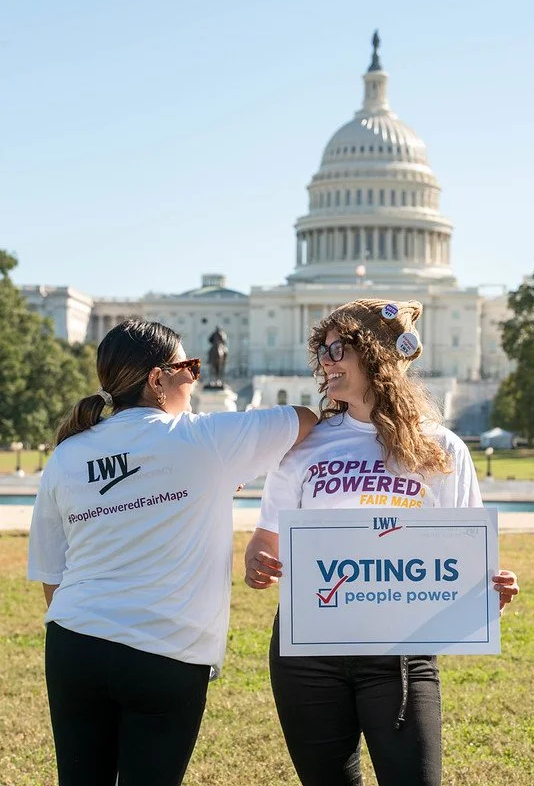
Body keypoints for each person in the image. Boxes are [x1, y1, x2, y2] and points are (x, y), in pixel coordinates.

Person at [27, 318, 317, 786]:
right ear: (156, 378)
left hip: (74, 642)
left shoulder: (67, 454)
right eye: (190, 366)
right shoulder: (203, 439)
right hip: (168, 651)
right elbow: (305, 419)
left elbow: (50, 573)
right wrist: (218, 470)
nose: (196, 377)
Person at [244, 298, 519, 786]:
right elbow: (266, 537)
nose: (325, 361)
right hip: (308, 651)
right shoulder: (304, 446)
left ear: (377, 355)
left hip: (399, 650)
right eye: (322, 350)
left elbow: (464, 554)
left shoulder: (441, 448)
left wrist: (487, 590)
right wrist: (259, 561)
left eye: (337, 348)